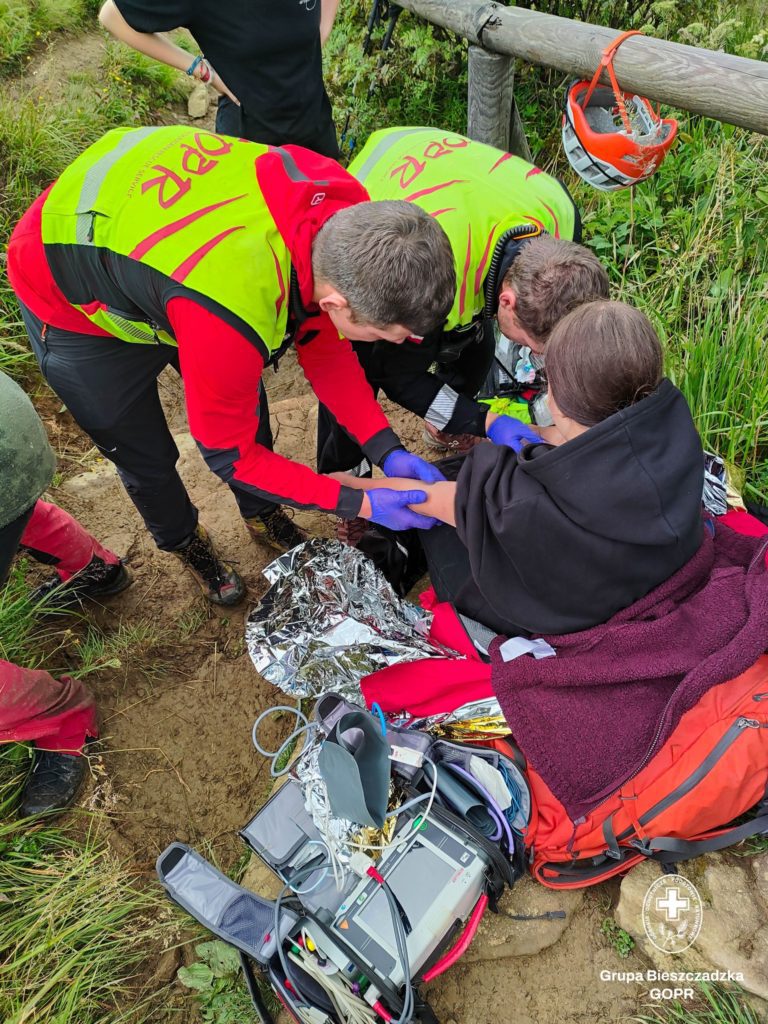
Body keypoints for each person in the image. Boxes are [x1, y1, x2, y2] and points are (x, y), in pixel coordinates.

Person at [7, 125, 454, 606]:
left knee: (247, 407)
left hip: (167, 260)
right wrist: (360, 501)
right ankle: (185, 542)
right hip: (74, 297)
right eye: (389, 335)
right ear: (339, 301)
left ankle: (261, 511)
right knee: (144, 453)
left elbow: (323, 343)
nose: (402, 344)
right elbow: (230, 452)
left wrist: (386, 450)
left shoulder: (342, 213)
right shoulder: (231, 313)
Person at [334, 301, 705, 638]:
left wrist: (342, 486)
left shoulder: (518, 504)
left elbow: (428, 498)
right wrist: (497, 428)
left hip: (559, 616)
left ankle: (451, 612)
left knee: (444, 516)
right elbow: (568, 435)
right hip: (639, 571)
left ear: (554, 399)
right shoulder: (674, 427)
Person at [317, 125, 610, 481]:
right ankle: (347, 475)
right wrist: (481, 420)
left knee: (474, 349)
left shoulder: (561, 213)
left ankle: (442, 426)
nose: (535, 356)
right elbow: (399, 378)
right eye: (532, 348)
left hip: (451, 185)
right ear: (507, 300)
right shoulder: (429, 279)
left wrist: (466, 416)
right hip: (376, 228)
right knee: (359, 372)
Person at [0, 369, 130, 817]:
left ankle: (63, 716)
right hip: (7, 421)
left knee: (11, 504)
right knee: (17, 508)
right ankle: (91, 568)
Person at [98, 0, 341, 158]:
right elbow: (112, 16)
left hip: (315, 128)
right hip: (250, 143)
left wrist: (323, 28)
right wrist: (200, 69)